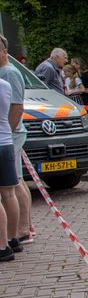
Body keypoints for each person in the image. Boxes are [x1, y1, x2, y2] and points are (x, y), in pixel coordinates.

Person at [1, 34, 30, 254]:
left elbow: (17, 107)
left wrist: (9, 133)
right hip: (8, 137)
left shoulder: (9, 73)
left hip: (10, 134)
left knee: (16, 183)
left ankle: (20, 231)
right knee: (15, 184)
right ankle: (20, 231)